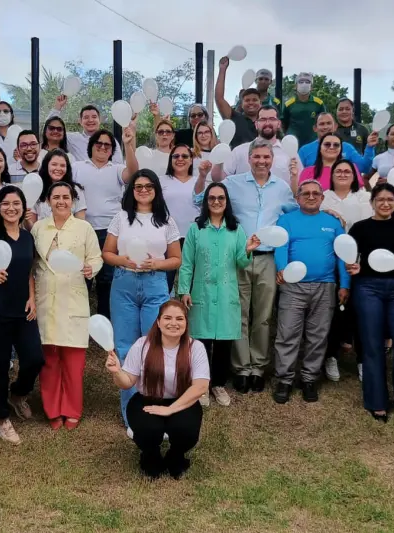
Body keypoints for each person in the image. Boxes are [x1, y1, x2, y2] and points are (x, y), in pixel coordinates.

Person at [199, 138, 298, 393]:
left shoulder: (282, 187)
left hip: (268, 258)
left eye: (266, 157)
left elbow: (296, 214)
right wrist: (202, 176)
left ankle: (258, 367)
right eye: (257, 156)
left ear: (272, 160)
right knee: (239, 313)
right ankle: (242, 368)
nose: (262, 161)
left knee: (263, 316)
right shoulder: (233, 183)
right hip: (238, 257)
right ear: (249, 158)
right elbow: (201, 199)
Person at [103, 170, 182, 431]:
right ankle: (131, 415)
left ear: (156, 189)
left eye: (149, 186)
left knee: (155, 347)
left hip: (154, 284)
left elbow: (176, 259)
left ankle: (155, 409)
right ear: (132, 190)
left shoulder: (166, 220)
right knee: (126, 348)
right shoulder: (121, 217)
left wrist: (156, 264)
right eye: (138, 186)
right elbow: (107, 253)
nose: (143, 190)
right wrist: (123, 260)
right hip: (124, 284)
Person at [104, 300, 209, 479]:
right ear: (158, 322)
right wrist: (117, 372)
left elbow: (201, 386)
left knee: (187, 431)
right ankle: (150, 456)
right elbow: (127, 382)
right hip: (146, 399)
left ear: (186, 323)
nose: (173, 323)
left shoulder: (195, 348)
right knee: (148, 430)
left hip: (181, 401)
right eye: (167, 318)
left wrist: (170, 409)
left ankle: (176, 456)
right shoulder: (142, 345)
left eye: (179, 319)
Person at [178, 183, 259, 407]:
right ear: (206, 202)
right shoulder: (196, 229)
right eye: (211, 198)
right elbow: (187, 263)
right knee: (201, 342)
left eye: (220, 198)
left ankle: (219, 384)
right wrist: (184, 289)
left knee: (224, 343)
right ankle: (201, 385)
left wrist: (248, 250)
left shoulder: (236, 230)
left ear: (226, 201)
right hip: (201, 293)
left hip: (226, 294)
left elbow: (241, 263)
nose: (216, 202)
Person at [0, 186, 43, 445]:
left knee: (34, 358)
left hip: (22, 311)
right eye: (5, 203)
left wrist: (32, 298)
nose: (11, 208)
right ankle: (1, 419)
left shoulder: (27, 237)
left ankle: (17, 394)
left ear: (23, 207)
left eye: (16, 203)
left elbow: (29, 272)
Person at [31, 182, 102, 429]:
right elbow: (33, 263)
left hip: (73, 298)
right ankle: (52, 410)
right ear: (48, 201)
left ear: (73, 200)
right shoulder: (39, 228)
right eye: (56, 197)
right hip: (46, 299)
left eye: (66, 197)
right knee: (49, 360)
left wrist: (91, 268)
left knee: (73, 361)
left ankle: (72, 409)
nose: (61, 201)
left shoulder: (84, 228)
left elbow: (96, 257)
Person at [347, 183, 394, 423]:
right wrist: (353, 268)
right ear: (372, 203)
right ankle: (376, 401)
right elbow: (352, 260)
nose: (385, 203)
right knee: (372, 343)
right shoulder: (359, 228)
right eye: (380, 199)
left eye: (390, 199)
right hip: (368, 288)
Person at [273, 179, 349, 403]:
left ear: (322, 198)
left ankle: (309, 378)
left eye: (316, 193)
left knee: (318, 335)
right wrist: (281, 269)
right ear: (297, 198)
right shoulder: (286, 220)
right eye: (305, 193)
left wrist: (345, 284)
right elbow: (281, 247)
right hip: (293, 286)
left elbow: (342, 255)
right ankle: (284, 380)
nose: (311, 196)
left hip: (325, 285)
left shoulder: (333, 222)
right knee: (287, 333)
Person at [74, 127, 139, 319]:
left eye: (107, 145)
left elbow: (133, 173)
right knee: (82, 277)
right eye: (99, 143)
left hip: (111, 232)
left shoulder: (117, 169)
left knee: (107, 279)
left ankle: (105, 322)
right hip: (83, 231)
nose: (103, 147)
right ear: (91, 146)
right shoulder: (77, 167)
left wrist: (127, 144)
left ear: (112, 150)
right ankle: (80, 321)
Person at [320, 159, 372, 381]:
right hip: (331, 263)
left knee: (360, 312)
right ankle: (331, 356)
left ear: (354, 176)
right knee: (334, 313)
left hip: (359, 262)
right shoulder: (323, 197)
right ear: (331, 175)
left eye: (347, 171)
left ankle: (362, 360)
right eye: (338, 171)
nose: (342, 174)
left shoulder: (364, 198)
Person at [223, 106, 300, 188]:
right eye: (263, 119)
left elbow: (300, 183)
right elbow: (221, 179)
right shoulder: (239, 151)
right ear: (256, 124)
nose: (267, 123)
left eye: (272, 119)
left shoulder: (290, 152)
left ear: (278, 124)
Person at [159, 144, 200, 290]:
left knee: (191, 285)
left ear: (191, 160)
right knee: (165, 283)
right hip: (167, 238)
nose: (180, 159)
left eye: (185, 156)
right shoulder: (161, 180)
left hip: (193, 238)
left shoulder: (199, 181)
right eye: (176, 156)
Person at [49, 97, 123, 163]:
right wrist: (57, 107)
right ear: (80, 121)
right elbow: (50, 130)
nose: (90, 120)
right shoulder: (72, 139)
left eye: (94, 117)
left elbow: (118, 164)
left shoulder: (110, 140)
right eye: (86, 117)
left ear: (99, 120)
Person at [298, 112, 376, 173]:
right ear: (315, 128)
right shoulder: (304, 150)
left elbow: (364, 168)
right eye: (322, 124)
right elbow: (298, 176)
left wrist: (370, 147)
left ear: (335, 127)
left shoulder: (347, 147)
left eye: (329, 123)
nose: (325, 127)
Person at [29, 149, 86, 224]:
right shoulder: (37, 189)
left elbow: (81, 223)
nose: (58, 168)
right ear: (46, 165)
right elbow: (32, 226)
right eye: (54, 164)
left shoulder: (76, 190)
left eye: (62, 165)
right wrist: (27, 220)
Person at [215, 56, 260, 147]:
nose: (251, 103)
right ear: (242, 104)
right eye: (247, 100)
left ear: (260, 103)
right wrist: (222, 69)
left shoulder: (267, 122)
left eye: (254, 100)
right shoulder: (234, 118)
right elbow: (219, 98)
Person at [299, 133, 365, 191]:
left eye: (336, 145)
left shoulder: (351, 168)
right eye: (327, 144)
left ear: (341, 149)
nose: (331, 147)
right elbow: (300, 196)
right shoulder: (307, 172)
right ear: (320, 148)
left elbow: (359, 195)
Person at [282, 73, 326, 146]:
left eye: (307, 82)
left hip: (313, 142)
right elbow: (284, 123)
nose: (304, 84)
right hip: (292, 142)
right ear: (295, 86)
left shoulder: (319, 103)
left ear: (311, 87)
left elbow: (324, 122)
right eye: (301, 82)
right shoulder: (288, 104)